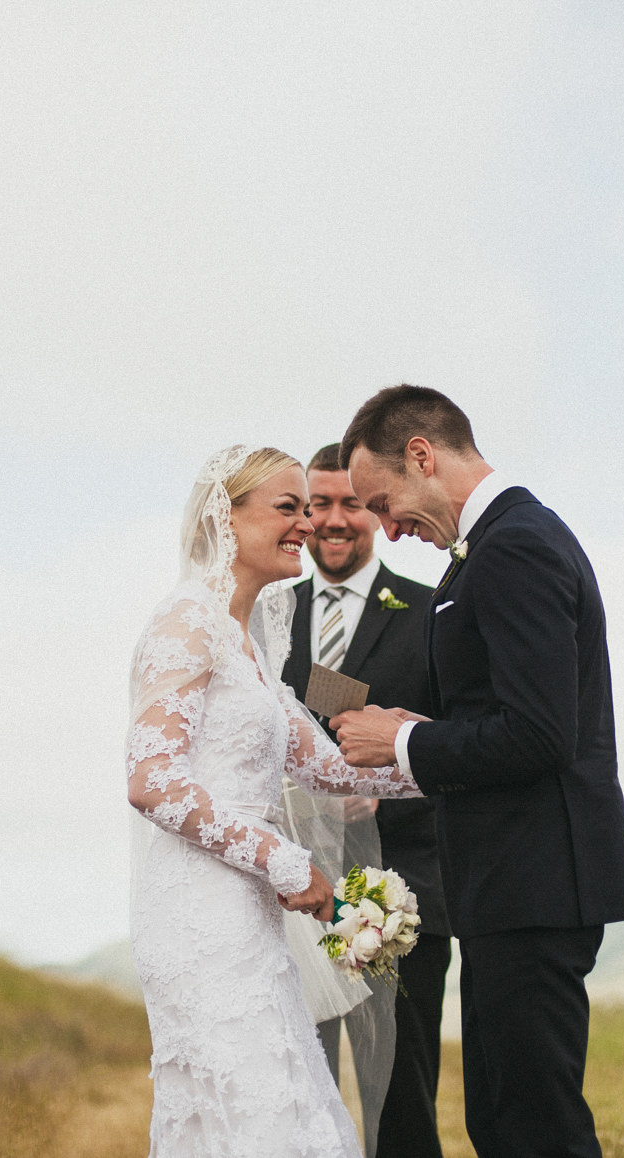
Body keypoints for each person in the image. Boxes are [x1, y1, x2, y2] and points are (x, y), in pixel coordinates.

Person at [332, 386, 624, 1158]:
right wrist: (419, 727)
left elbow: (540, 734)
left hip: (537, 879)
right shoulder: (489, 547)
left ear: (422, 456)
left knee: (533, 1126)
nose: (386, 527)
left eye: (381, 503)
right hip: (511, 883)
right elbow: (499, 710)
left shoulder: (515, 545)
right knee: (504, 1120)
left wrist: (405, 747)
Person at [126, 444, 426, 1157]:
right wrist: (284, 861)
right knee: (244, 1105)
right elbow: (151, 779)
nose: (307, 525)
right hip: (200, 911)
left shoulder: (251, 639)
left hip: (250, 911)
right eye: (288, 508)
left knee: (286, 1104)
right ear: (224, 520)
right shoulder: (186, 622)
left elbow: (324, 766)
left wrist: (431, 755)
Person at [282, 443, 448, 1158]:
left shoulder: (431, 609)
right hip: (291, 890)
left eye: (350, 502)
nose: (333, 519)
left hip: (402, 887)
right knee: (296, 1085)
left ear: (375, 510)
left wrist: (386, 803)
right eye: (317, 504)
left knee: (400, 1091)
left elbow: (463, 746)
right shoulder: (265, 610)